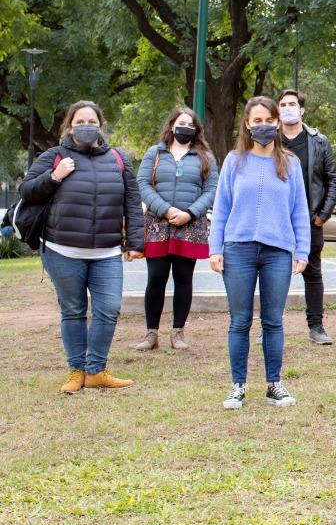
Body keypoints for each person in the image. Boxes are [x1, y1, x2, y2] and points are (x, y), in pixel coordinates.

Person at [21, 100, 144, 393]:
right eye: (80, 122)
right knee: (73, 310)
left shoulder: (118, 158)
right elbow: (27, 191)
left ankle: (96, 370)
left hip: (107, 252)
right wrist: (55, 176)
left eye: (91, 122)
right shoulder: (54, 156)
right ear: (69, 127)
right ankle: (77, 371)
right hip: (62, 251)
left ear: (100, 126)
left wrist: (135, 241)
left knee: (109, 309)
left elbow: (132, 201)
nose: (86, 127)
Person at [210, 96, 311, 409]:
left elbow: (299, 210)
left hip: (277, 252)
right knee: (240, 321)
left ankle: (273, 384)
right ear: (247, 124)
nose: (263, 126)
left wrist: (302, 250)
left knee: (273, 321)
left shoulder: (290, 164)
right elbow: (221, 207)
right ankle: (237, 386)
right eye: (257, 121)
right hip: (237, 250)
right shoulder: (234, 161)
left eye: (269, 120)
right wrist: (215, 248)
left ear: (277, 123)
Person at [135, 107, 218, 351]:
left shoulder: (205, 157)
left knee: (183, 278)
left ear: (196, 129)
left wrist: (189, 213)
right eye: (181, 123)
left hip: (190, 225)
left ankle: (178, 332)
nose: (185, 128)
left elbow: (212, 189)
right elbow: (143, 184)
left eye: (191, 125)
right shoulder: (155, 153)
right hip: (158, 224)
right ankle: (151, 334)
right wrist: (166, 210)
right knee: (156, 277)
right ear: (172, 125)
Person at [277, 90, 336, 345]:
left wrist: (323, 215)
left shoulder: (318, 141)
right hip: (277, 220)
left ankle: (316, 327)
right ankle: (270, 325)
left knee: (313, 273)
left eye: (292, 104)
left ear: (302, 109)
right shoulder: (270, 139)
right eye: (283, 104)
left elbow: (332, 179)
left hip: (309, 220)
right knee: (273, 273)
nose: (288, 108)